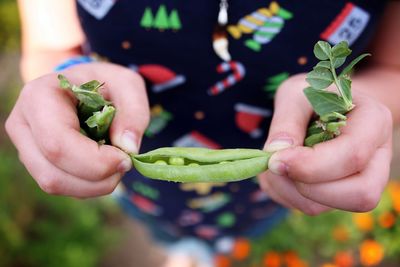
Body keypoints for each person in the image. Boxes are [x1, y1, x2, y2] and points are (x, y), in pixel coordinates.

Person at [5, 0, 400, 266]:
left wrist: (350, 103)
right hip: (138, 178)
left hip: (268, 184)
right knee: (164, 226)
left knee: (247, 226)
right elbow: (48, 48)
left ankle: (212, 247)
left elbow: (392, 70)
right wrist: (66, 83)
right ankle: (183, 247)